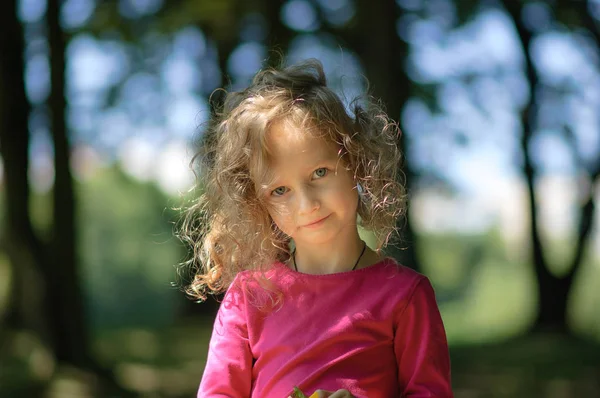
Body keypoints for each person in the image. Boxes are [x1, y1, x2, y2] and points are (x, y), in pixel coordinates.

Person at [178, 59, 453, 398]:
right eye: (280, 190)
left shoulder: (405, 296)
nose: (306, 204)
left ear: (355, 163)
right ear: (257, 202)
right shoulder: (248, 297)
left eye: (320, 173)